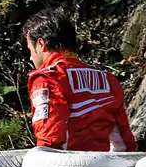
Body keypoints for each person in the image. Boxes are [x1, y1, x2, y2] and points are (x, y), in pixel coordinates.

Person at [22, 8, 137, 152]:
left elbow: (49, 139)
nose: (31, 57)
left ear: (41, 44)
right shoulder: (107, 79)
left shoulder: (48, 78)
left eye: (30, 50)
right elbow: (124, 143)